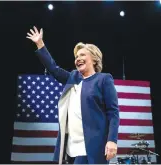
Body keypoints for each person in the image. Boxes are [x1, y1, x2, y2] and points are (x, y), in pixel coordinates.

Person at [26, 26, 119, 164]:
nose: (78, 59)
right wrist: (40, 44)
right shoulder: (73, 77)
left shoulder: (103, 79)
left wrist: (112, 140)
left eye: (82, 55)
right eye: (76, 56)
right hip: (74, 146)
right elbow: (54, 69)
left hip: (95, 145)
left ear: (94, 59)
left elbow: (113, 112)